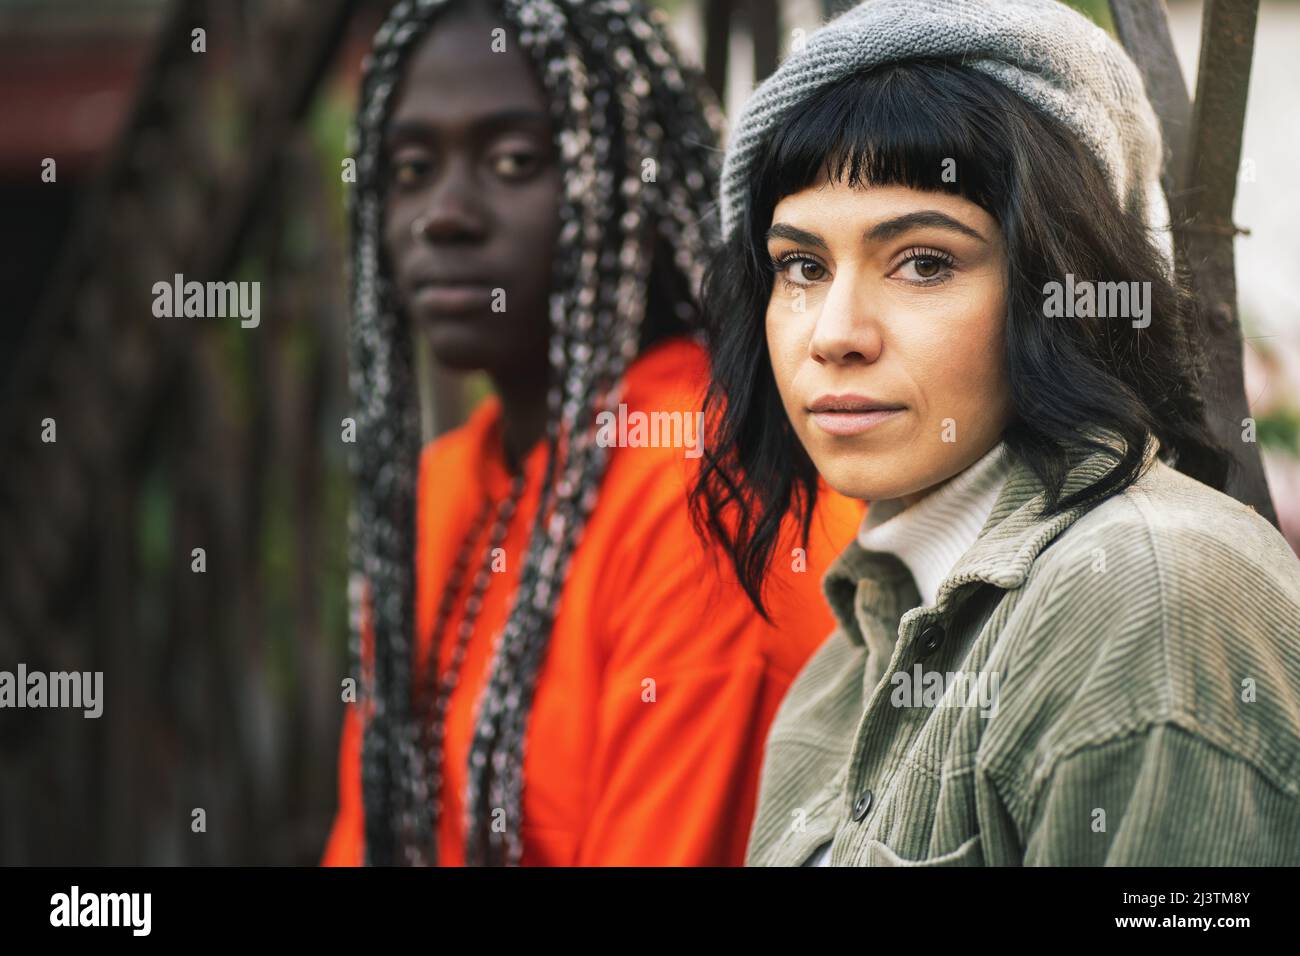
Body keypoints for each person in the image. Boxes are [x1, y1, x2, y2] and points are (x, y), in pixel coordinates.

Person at [693, 0, 1300, 866]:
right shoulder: (849, 655)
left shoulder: (1144, 595)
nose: (834, 332)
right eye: (801, 265)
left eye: (925, 261)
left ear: (1061, 284)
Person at [323, 0, 864, 866]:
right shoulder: (446, 488)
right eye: (410, 169)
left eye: (513, 160)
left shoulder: (714, 499)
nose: (442, 215)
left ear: (637, 181)